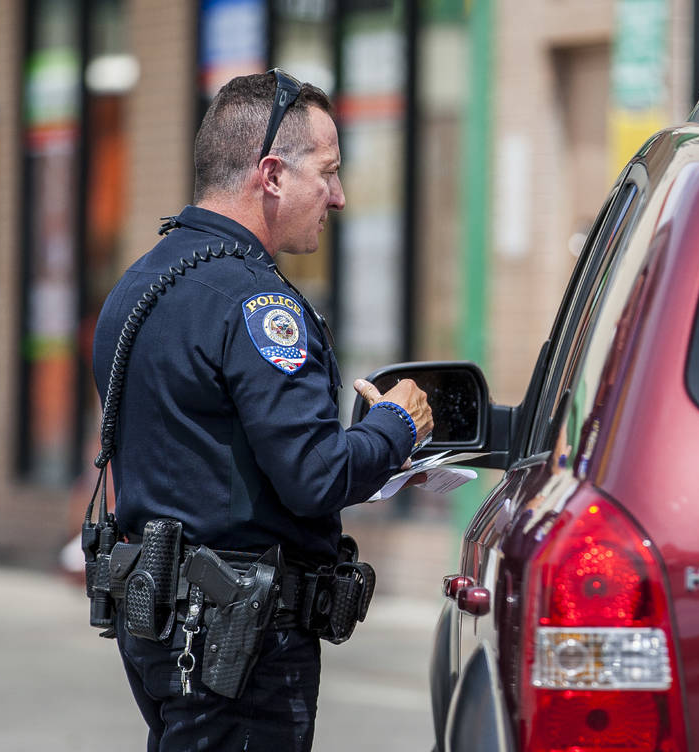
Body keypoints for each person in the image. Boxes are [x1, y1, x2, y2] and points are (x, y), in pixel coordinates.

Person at [91, 69, 433, 751]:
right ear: (272, 174)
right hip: (239, 642)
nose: (338, 196)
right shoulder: (258, 303)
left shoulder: (140, 281)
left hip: (160, 625)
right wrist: (396, 427)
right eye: (327, 173)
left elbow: (207, 457)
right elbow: (314, 475)